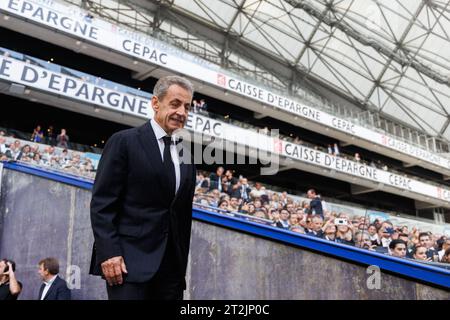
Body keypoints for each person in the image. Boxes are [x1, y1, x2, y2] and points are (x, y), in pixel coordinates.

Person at [89, 76, 197, 300]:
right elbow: (102, 204)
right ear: (156, 103)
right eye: (175, 104)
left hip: (171, 273)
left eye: (187, 107)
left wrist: (180, 266)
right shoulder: (124, 142)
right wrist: (109, 254)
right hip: (128, 266)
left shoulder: (185, 153)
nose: (182, 112)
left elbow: (181, 214)